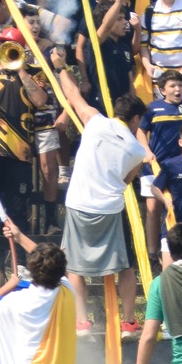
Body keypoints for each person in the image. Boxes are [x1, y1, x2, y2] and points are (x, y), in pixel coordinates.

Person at [58, 71, 148, 331]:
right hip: (109, 209)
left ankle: (81, 321)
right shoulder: (137, 150)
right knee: (125, 265)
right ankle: (129, 321)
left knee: (74, 266)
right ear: (136, 119)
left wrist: (61, 67)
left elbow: (73, 94)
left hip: (78, 204)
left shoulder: (94, 121)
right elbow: (127, 180)